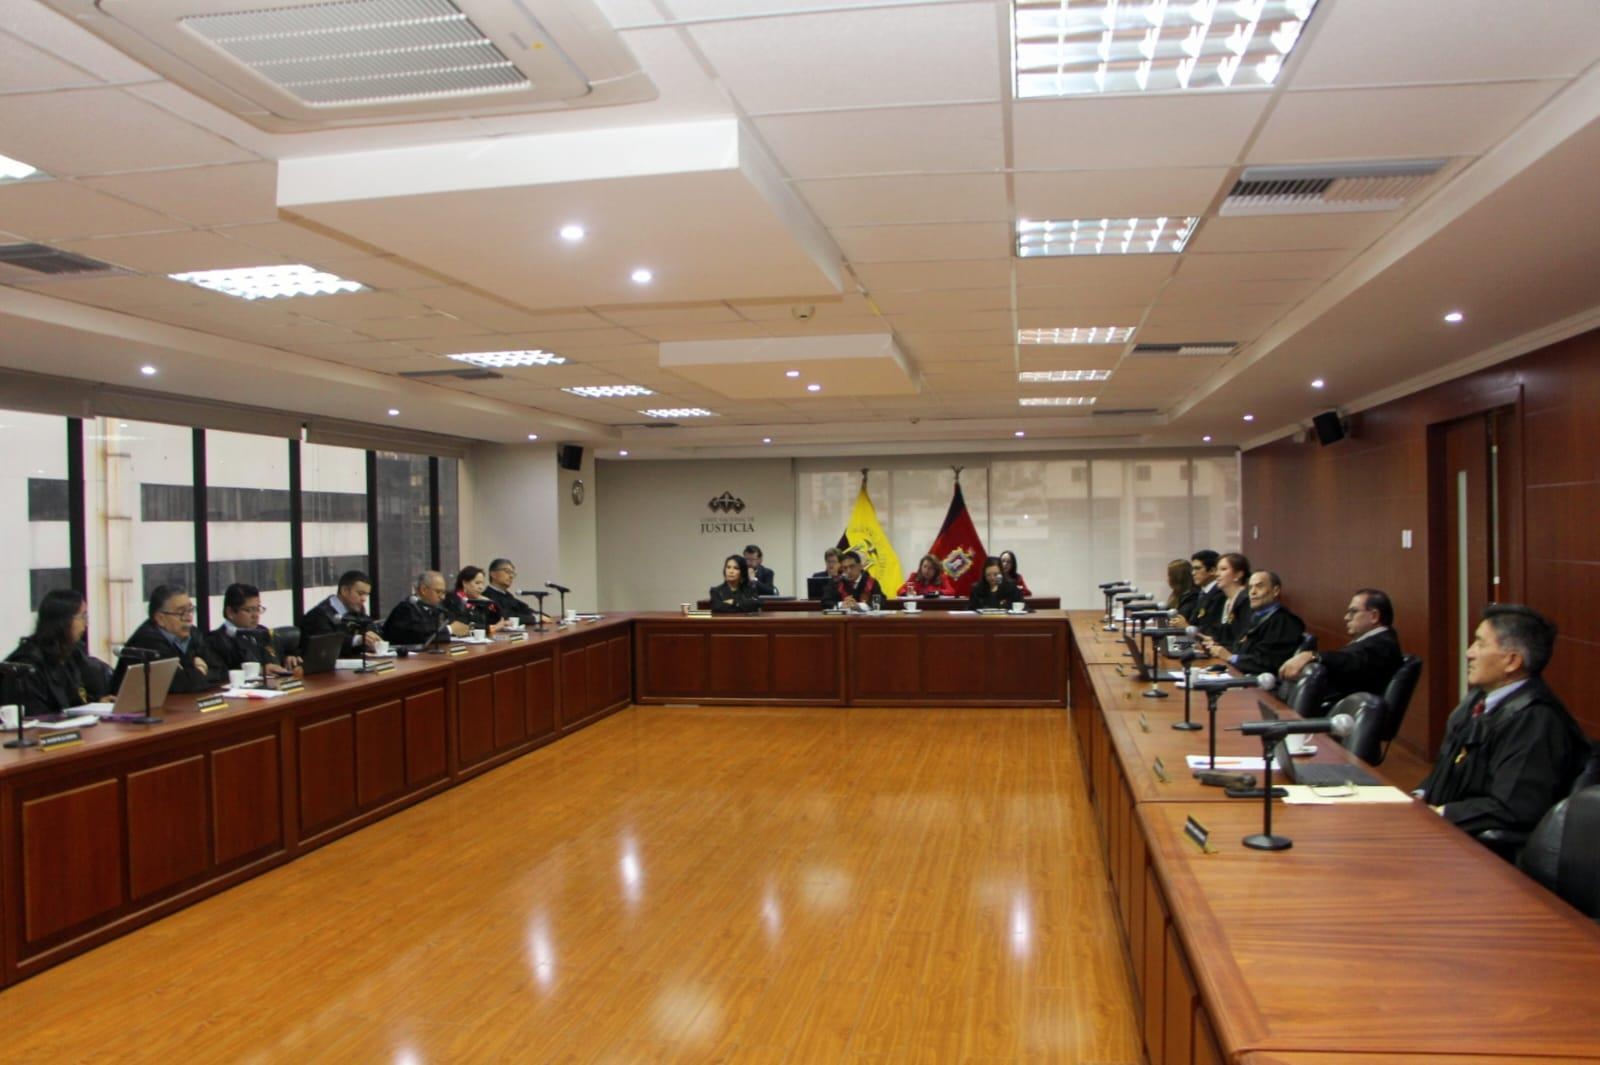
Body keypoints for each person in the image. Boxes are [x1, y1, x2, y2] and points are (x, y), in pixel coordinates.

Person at [1417, 604, 1588, 838]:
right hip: (1443, 829)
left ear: (1512, 661)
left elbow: (1512, 807)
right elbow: (1446, 771)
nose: (1469, 653)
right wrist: (1418, 797)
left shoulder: (1535, 720)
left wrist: (1439, 814)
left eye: (1480, 644)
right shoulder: (1478, 700)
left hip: (1483, 849)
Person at [1279, 588, 1403, 700]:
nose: (1346, 617)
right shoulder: (1372, 640)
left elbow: (1350, 661)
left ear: (1374, 616)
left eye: (1353, 612)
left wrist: (1312, 655)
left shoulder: (1384, 644)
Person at [4, 589, 113, 714]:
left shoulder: (70, 654)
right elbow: (35, 715)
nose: (86, 623)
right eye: (82, 616)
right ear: (63, 621)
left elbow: (72, 700)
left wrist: (97, 703)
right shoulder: (28, 663)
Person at [111, 585, 220, 693]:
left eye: (190, 610)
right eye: (181, 612)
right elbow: (178, 684)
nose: (188, 618)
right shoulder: (147, 640)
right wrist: (200, 669)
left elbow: (220, 670)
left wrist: (194, 674)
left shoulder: (193, 633)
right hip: (129, 704)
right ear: (160, 618)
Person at [1202, 569, 1303, 676]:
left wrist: (1230, 657)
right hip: (1240, 674)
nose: (1252, 592)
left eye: (1259, 586)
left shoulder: (1284, 622)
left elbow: (1268, 662)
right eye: (1250, 587)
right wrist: (1218, 648)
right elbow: (1243, 648)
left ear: (1275, 590)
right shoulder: (1257, 617)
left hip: (1259, 682)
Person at [204, 583, 300, 677]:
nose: (256, 615)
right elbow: (219, 674)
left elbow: (278, 659)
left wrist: (288, 660)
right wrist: (258, 671)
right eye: (249, 610)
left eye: (258, 609)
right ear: (230, 612)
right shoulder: (215, 641)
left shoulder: (263, 632)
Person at [301, 569, 382, 653]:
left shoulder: (358, 614)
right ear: (344, 590)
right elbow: (326, 644)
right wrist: (358, 640)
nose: (364, 599)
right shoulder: (318, 615)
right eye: (360, 593)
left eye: (366, 595)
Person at [383, 571, 471, 646]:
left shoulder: (433, 609)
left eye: (444, 592)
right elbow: (419, 636)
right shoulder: (405, 609)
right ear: (423, 590)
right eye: (438, 592)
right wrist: (450, 629)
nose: (443, 597)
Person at [443, 566, 505, 633]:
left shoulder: (477, 601)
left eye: (482, 584)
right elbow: (464, 625)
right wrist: (491, 628)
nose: (481, 587)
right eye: (477, 583)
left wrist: (489, 601)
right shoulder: (453, 599)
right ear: (465, 583)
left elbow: (498, 619)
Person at [1211, 552, 1253, 646]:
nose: (1217, 574)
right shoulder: (1222, 600)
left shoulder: (1246, 600)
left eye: (1223, 569)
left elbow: (1241, 637)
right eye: (1217, 570)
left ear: (1238, 574)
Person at [483, 558, 539, 624]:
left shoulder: (508, 595)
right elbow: (506, 617)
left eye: (513, 573)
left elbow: (525, 609)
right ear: (493, 574)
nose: (511, 576)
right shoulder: (486, 596)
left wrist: (540, 615)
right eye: (507, 572)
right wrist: (535, 618)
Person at [1185, 550, 1226, 634]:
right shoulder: (1200, 593)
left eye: (1197, 568)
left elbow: (1211, 628)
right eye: (1192, 569)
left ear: (1212, 571)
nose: (1193, 573)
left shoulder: (1220, 594)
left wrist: (1186, 626)